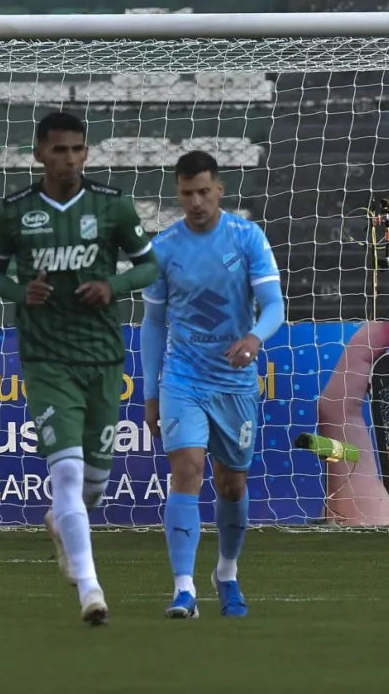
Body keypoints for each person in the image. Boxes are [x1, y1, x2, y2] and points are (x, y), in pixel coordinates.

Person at [0, 111, 158, 625]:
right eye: (59, 150)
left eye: (78, 149)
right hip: (46, 359)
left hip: (102, 356)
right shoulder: (14, 213)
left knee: (94, 485)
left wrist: (114, 286)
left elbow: (149, 264)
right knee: (67, 471)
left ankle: (61, 524)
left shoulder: (112, 205)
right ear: (39, 153)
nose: (70, 159)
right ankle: (91, 590)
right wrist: (20, 291)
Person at [140, 150, 284, 619]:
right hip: (184, 377)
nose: (196, 201)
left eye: (204, 191)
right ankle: (183, 589)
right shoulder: (162, 248)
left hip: (235, 381)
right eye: (187, 193)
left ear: (219, 189)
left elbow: (274, 307)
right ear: (177, 194)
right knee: (187, 470)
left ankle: (226, 572)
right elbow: (153, 324)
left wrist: (254, 336)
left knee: (232, 485)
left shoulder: (247, 238)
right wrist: (151, 390)